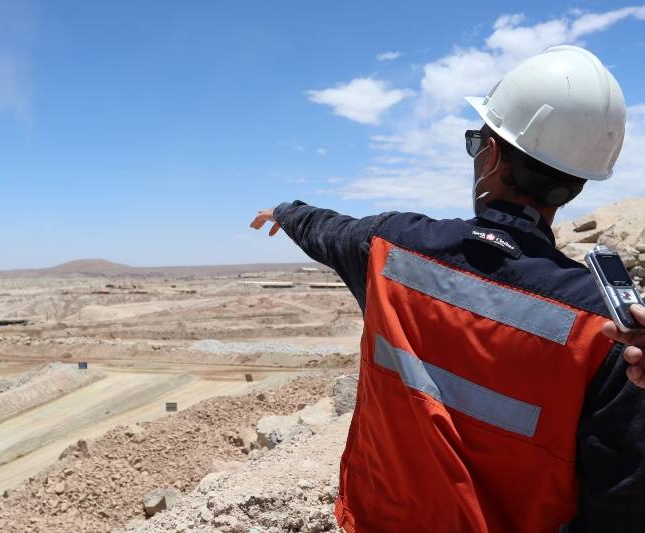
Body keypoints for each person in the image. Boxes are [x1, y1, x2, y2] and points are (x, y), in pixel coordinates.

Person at [251, 45, 645, 532]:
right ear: (578, 182)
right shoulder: (607, 330)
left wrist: (285, 212)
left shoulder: (390, 249)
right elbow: (619, 500)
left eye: (476, 141)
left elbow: (329, 229)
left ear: (492, 155)